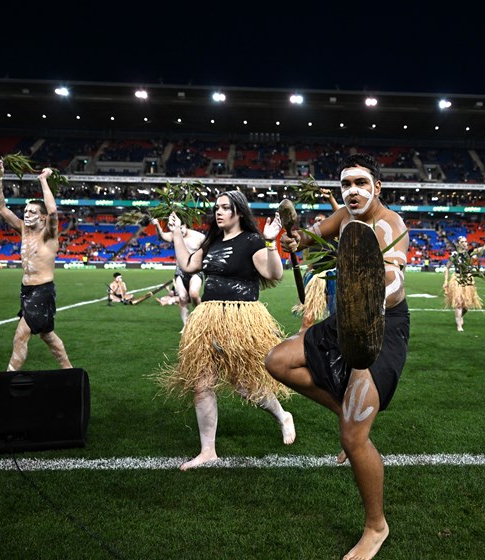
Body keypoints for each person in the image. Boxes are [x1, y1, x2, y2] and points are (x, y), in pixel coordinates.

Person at [266, 153, 410, 560]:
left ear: (377, 188)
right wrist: (299, 239)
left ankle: (375, 527)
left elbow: (395, 274)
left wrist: (375, 282)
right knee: (277, 362)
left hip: (381, 326)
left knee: (353, 436)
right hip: (344, 316)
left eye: (361, 183)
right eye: (346, 184)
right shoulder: (345, 218)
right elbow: (314, 234)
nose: (353, 191)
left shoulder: (389, 224)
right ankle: (346, 412)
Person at [157, 190, 295, 469]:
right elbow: (187, 264)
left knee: (245, 385)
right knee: (202, 384)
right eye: (216, 207)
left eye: (224, 207)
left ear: (239, 212)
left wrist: (270, 241)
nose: (218, 212)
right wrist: (176, 235)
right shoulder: (213, 241)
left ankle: (283, 416)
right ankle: (208, 451)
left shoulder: (251, 241)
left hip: (240, 318)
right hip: (208, 318)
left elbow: (274, 274)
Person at [0, 161, 73, 371]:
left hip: (42, 290)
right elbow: (0, 207)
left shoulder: (49, 234)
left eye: (32, 212)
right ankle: (69, 370)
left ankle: (7, 378)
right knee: (48, 335)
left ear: (42, 217)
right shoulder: (23, 230)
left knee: (20, 335)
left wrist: (43, 180)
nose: (26, 214)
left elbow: (53, 211)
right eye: (25, 211)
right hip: (26, 290)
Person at [294, 188, 341, 329]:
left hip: (333, 277)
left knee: (337, 318)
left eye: (321, 220)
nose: (318, 222)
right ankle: (302, 347)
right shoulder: (310, 241)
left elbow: (340, 215)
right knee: (307, 320)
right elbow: (309, 264)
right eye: (315, 221)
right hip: (315, 280)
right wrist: (306, 278)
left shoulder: (336, 235)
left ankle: (338, 348)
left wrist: (331, 198)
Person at [153, 216, 206, 327]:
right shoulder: (175, 235)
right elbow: (162, 236)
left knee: (194, 294)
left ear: (185, 225)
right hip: (180, 271)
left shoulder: (200, 237)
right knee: (182, 297)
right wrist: (157, 225)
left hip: (196, 270)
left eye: (181, 228)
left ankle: (202, 318)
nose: (180, 232)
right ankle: (186, 326)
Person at [443, 231, 485, 331]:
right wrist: (445, 281)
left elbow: (484, 247)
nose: (465, 243)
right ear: (458, 244)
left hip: (468, 279)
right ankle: (459, 325)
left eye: (466, 242)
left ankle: (460, 316)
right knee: (458, 302)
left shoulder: (471, 253)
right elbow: (447, 268)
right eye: (463, 241)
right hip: (457, 278)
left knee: (467, 305)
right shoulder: (454, 255)